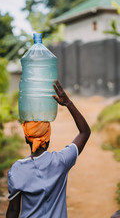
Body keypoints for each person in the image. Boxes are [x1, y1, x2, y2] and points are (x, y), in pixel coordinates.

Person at [6, 80, 91, 218]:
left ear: (26, 138)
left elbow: (13, 210)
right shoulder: (61, 161)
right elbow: (85, 132)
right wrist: (68, 103)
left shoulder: (17, 170)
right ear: (48, 138)